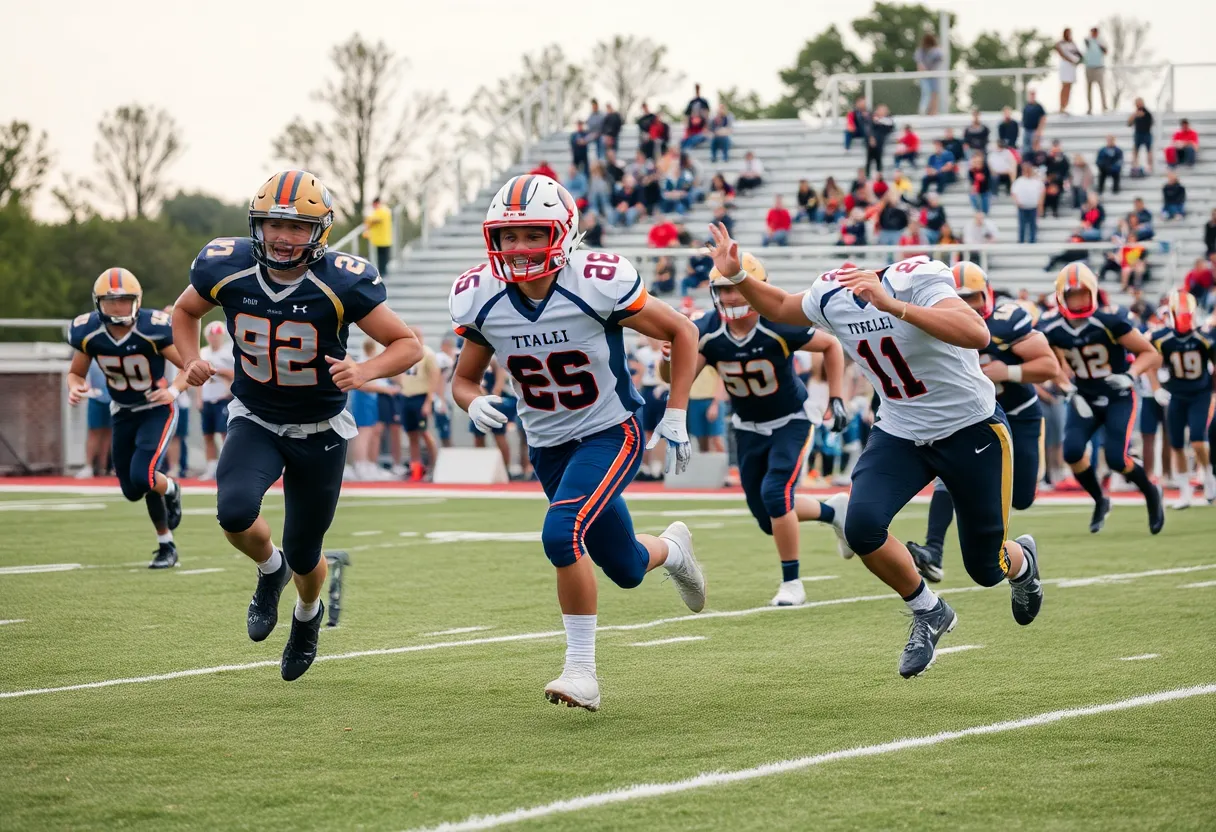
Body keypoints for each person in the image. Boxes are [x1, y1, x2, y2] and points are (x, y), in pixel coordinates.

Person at [708, 223, 1045, 679]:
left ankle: (1021, 562)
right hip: (901, 430)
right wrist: (741, 278)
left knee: (985, 568)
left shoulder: (920, 277)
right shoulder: (831, 294)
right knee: (863, 527)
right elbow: (783, 306)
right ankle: (929, 611)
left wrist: (894, 306)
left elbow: (976, 333)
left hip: (971, 429)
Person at [449, 173, 706, 711]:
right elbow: (464, 378)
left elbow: (683, 329)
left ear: (562, 232)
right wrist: (471, 401)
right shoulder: (480, 296)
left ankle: (581, 671)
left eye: (532, 234)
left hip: (611, 430)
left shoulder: (597, 280)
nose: (517, 249)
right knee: (628, 568)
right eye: (507, 237)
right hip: (547, 445)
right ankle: (674, 550)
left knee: (560, 534)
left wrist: (676, 411)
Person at [172, 169, 423, 681]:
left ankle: (307, 616)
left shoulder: (341, 281)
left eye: (297, 227)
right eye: (272, 225)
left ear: (321, 232)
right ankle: (270, 569)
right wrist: (188, 359)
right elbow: (183, 311)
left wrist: (365, 370)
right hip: (256, 418)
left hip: (321, 428)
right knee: (234, 512)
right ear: (255, 225)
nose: (283, 238)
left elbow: (408, 344)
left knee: (308, 554)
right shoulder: (227, 266)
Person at [662, 254, 851, 607]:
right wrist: (668, 358)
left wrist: (836, 397)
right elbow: (677, 376)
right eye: (723, 290)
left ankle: (792, 583)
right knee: (769, 516)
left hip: (791, 420)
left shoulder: (777, 321)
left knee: (777, 493)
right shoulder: (708, 329)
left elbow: (830, 344)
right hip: (746, 427)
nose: (731, 297)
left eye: (737, 288)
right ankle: (833, 512)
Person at [906, 264, 1060, 582]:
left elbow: (1048, 365)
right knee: (946, 477)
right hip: (973, 419)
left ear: (987, 294)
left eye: (973, 297)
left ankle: (1019, 552)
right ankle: (933, 552)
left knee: (1022, 497)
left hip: (1018, 414)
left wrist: (1010, 372)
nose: (966, 304)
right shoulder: (937, 322)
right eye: (958, 296)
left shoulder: (1005, 322)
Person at [66, 269, 188, 568]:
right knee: (132, 489)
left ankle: (166, 540)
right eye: (111, 301)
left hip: (155, 410)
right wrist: (75, 386)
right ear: (99, 303)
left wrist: (173, 391)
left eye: (124, 300)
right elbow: (75, 372)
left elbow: (189, 366)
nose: (118, 307)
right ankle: (168, 495)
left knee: (143, 475)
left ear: (137, 300)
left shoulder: (153, 328)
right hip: (122, 412)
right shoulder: (89, 333)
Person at [1038, 263, 1165, 535]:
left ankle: (1151, 492)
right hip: (1084, 395)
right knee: (1072, 452)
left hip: (1118, 394)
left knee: (1117, 459)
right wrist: (1067, 388)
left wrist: (1131, 375)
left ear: (1094, 293)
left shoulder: (1110, 319)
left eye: (1083, 294)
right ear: (1061, 296)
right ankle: (1100, 499)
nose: (1078, 301)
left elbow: (1151, 353)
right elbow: (1049, 363)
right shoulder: (1051, 326)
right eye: (1072, 295)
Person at [1150, 290, 1216, 506]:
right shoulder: (1162, 339)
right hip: (1175, 394)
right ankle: (1185, 492)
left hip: (1200, 393)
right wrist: (1156, 387)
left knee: (1198, 440)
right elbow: (1149, 362)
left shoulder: (1204, 338)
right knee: (1177, 444)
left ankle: (1208, 476)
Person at [398, 325, 441, 482]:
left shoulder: (427, 354)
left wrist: (429, 401)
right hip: (406, 396)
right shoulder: (405, 354)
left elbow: (434, 377)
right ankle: (416, 468)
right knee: (411, 435)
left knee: (424, 432)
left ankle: (434, 467)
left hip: (420, 397)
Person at [198, 320, 235, 480]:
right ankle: (211, 468)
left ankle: (229, 467)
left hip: (223, 398)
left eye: (217, 336)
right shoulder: (203, 352)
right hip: (207, 397)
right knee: (208, 435)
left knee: (224, 434)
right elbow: (199, 378)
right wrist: (199, 398)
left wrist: (217, 370)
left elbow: (235, 374)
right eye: (212, 336)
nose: (214, 338)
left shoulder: (229, 352)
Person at [1011, 163, 1045, 244]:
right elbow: (1013, 192)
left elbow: (1042, 193)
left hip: (1033, 207)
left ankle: (1032, 240)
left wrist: (1040, 204)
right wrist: (1017, 201)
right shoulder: (1019, 181)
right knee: (1022, 225)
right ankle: (1021, 240)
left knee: (1033, 225)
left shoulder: (1037, 182)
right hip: (1022, 207)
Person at [914, 33, 944, 115]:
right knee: (926, 93)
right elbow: (920, 65)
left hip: (934, 75)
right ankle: (923, 111)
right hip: (924, 76)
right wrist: (923, 71)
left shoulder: (936, 51)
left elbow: (940, 58)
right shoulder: (920, 51)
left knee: (934, 93)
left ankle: (933, 112)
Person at [362, 197, 393, 275]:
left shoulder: (382, 211)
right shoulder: (383, 211)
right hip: (382, 239)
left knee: (382, 257)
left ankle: (382, 272)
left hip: (382, 239)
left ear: (376, 203)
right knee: (381, 257)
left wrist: (368, 222)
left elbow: (375, 220)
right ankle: (382, 271)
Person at [1056, 28, 1082, 114]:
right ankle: (1061, 106)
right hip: (1065, 66)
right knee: (1064, 86)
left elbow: (1078, 53)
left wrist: (1078, 60)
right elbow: (1061, 52)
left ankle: (1065, 106)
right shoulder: (1060, 43)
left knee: (1069, 87)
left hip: (1072, 67)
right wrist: (1070, 60)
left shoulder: (1072, 43)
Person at [1083, 27, 1108, 114]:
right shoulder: (1087, 40)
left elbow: (1106, 52)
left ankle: (1104, 107)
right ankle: (1089, 108)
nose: (1094, 34)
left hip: (1099, 67)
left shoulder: (1102, 41)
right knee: (1089, 88)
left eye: (1095, 32)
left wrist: (1100, 45)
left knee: (1101, 88)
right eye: (1092, 32)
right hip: (1089, 67)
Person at [1129, 98, 1155, 175]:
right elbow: (1129, 123)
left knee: (1149, 150)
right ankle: (1135, 166)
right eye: (1137, 103)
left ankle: (1150, 167)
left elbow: (1151, 123)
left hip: (1146, 133)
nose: (1138, 104)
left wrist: (1143, 116)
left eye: (1139, 102)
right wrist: (1134, 115)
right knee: (1135, 150)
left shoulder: (1148, 113)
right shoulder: (1135, 113)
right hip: (1138, 134)